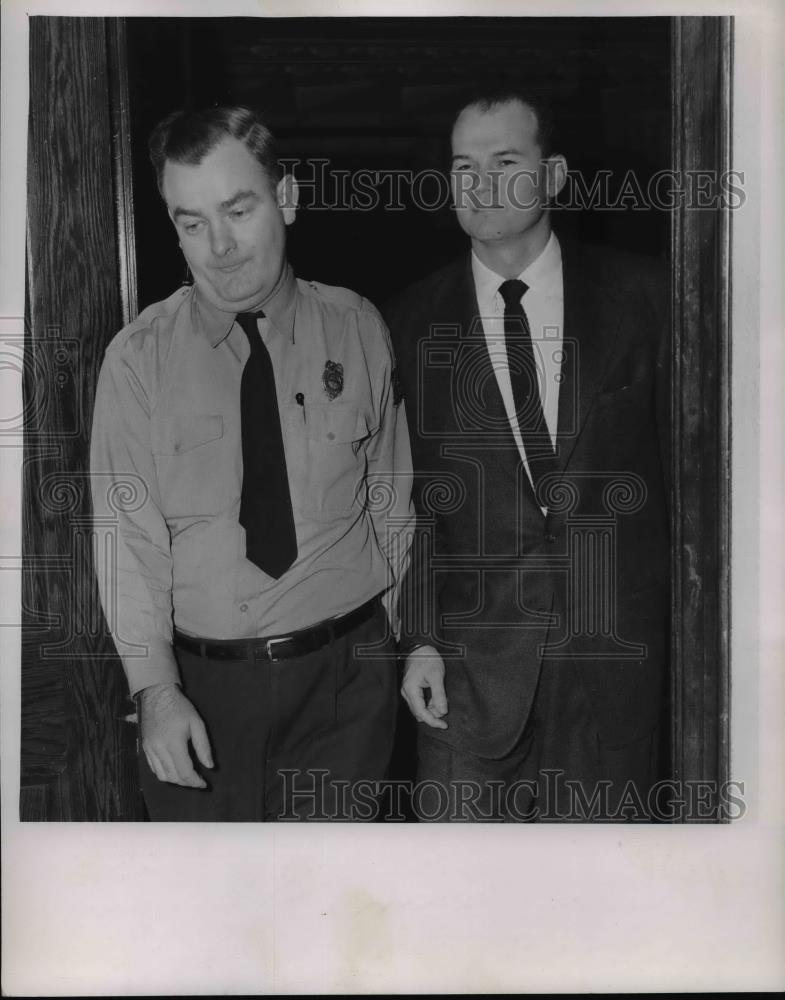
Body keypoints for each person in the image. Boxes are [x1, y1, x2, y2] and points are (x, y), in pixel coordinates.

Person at [90, 105, 414, 822]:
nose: (220, 247)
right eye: (191, 222)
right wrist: (156, 690)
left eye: (238, 210)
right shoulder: (137, 360)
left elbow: (392, 501)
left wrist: (400, 642)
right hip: (205, 695)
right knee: (210, 917)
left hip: (347, 685)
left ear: (287, 198)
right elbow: (127, 546)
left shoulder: (358, 326)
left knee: (336, 913)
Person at [383, 88, 670, 822]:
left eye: (504, 161)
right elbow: (406, 501)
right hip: (467, 680)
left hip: (612, 673)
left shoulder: (651, 300)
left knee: (602, 911)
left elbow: (696, 491)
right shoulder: (407, 322)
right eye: (462, 166)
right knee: (460, 912)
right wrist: (417, 640)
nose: (478, 184)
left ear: (555, 174)